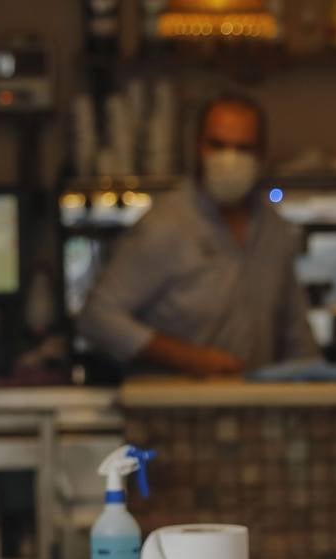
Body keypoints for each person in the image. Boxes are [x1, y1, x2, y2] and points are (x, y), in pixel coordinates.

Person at [78, 92, 319, 376]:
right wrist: (188, 358)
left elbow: (297, 337)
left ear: (261, 154)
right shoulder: (166, 225)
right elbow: (98, 317)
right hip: (172, 412)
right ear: (197, 147)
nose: (229, 159)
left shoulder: (274, 230)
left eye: (243, 148)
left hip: (252, 409)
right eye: (217, 145)